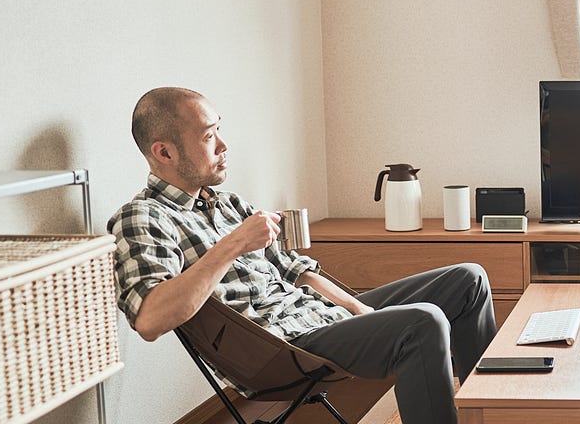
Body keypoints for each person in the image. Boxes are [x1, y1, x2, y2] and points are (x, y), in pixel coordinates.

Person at [109, 87, 495, 424]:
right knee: (422, 322)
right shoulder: (142, 218)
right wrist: (233, 244)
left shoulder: (227, 204)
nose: (224, 146)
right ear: (164, 152)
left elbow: (298, 272)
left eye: (219, 130)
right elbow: (151, 319)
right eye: (210, 137)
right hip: (279, 348)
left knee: (468, 279)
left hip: (316, 316)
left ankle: (496, 413)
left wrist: (356, 309)